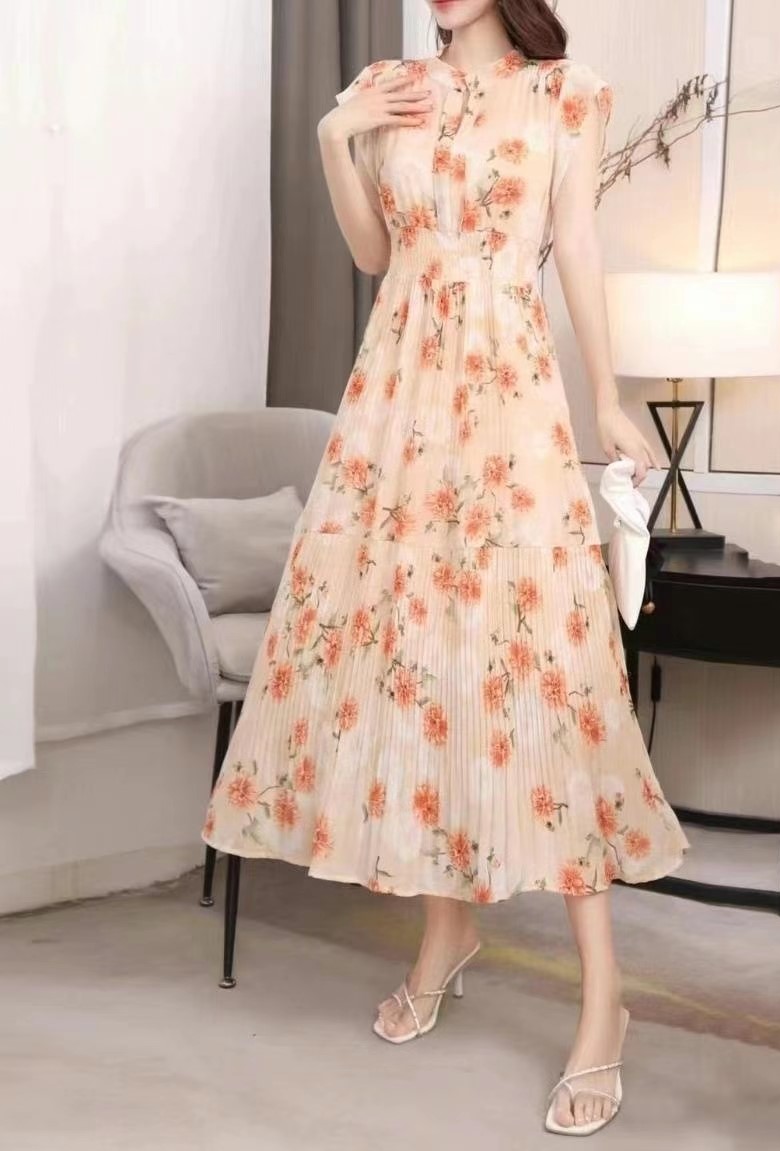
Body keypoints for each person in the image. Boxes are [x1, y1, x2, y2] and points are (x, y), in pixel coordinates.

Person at [202, 0, 690, 1135]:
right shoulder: (386, 88)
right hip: (395, 397)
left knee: (546, 671)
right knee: (411, 660)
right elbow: (375, 255)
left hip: (507, 394)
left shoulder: (564, 93)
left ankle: (602, 1002)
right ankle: (444, 931)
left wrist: (605, 397)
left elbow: (575, 244)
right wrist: (337, 133)